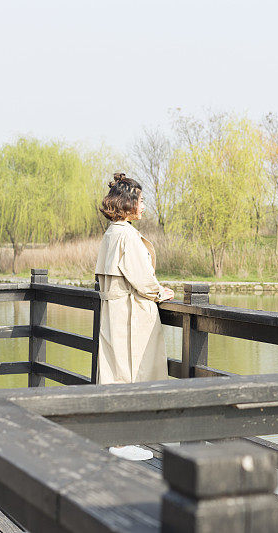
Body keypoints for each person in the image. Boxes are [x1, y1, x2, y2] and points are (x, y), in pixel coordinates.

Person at [95, 172, 175, 460]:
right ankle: (121, 443)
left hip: (114, 310)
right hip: (129, 313)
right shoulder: (126, 235)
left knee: (115, 372)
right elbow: (141, 277)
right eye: (140, 200)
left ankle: (117, 439)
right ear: (128, 203)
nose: (143, 205)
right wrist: (160, 292)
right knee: (128, 373)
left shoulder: (111, 233)